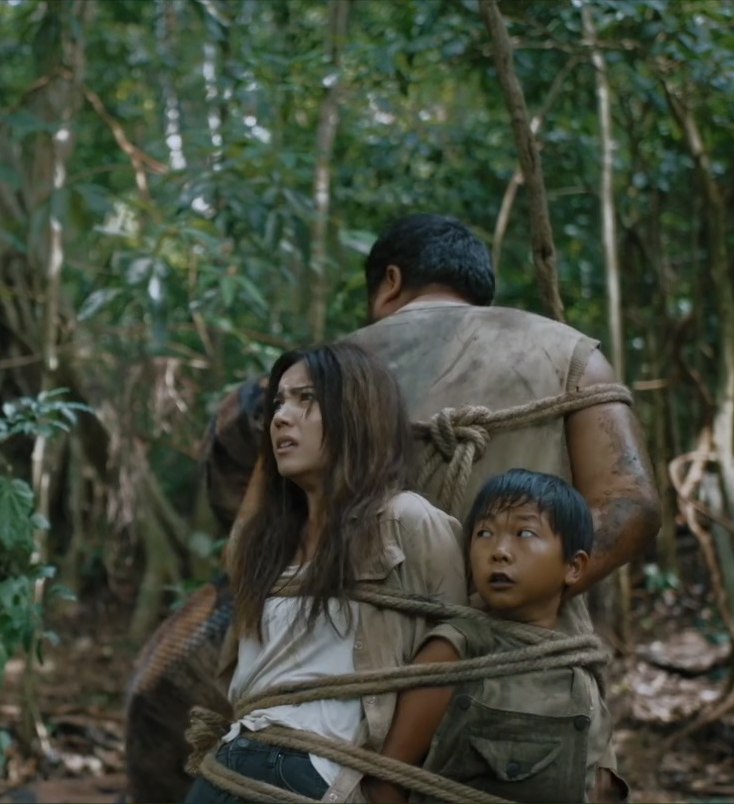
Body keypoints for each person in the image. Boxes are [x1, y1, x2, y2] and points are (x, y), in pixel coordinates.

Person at [149, 212, 656, 801]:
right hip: (527, 695)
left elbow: (249, 540)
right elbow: (632, 508)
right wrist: (504, 603)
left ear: (390, 282)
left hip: (346, 723)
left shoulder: (332, 373)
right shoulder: (569, 355)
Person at [186, 341, 467, 803]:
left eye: (307, 399)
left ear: (356, 414)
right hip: (229, 761)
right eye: (278, 403)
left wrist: (387, 782)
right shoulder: (267, 542)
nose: (281, 417)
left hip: (313, 772)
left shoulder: (403, 519)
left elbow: (454, 644)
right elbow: (236, 547)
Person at [363, 469, 609, 804]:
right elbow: (386, 780)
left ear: (574, 567)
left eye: (524, 533)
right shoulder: (458, 647)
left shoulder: (580, 662)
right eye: (484, 533)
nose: (499, 551)